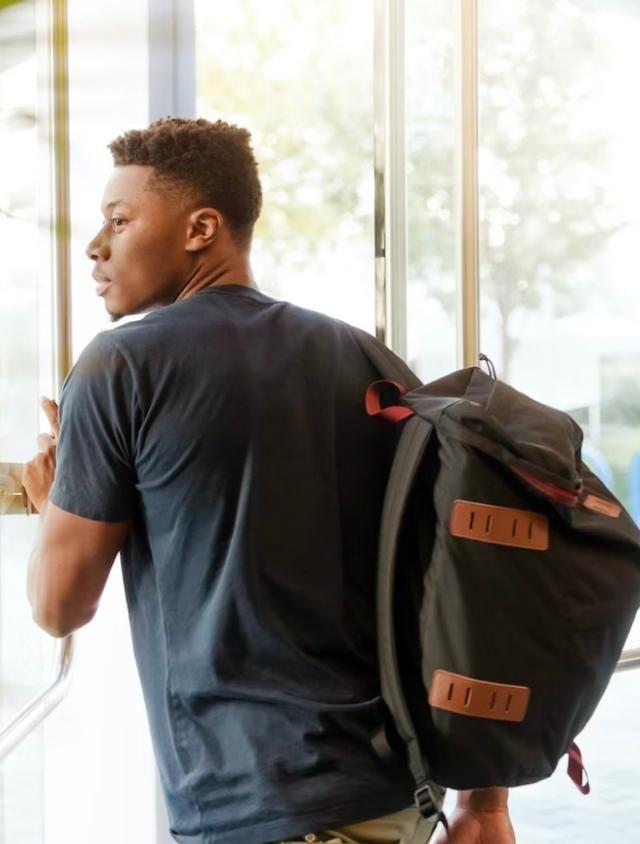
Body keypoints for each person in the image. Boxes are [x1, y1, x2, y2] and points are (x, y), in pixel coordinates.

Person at [22, 117, 516, 844]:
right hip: (398, 798)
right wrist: (485, 804)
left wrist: (50, 505)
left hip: (261, 809)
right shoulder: (368, 362)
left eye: (119, 221)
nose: (96, 247)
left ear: (201, 228)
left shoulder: (121, 368)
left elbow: (58, 607)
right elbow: (462, 577)